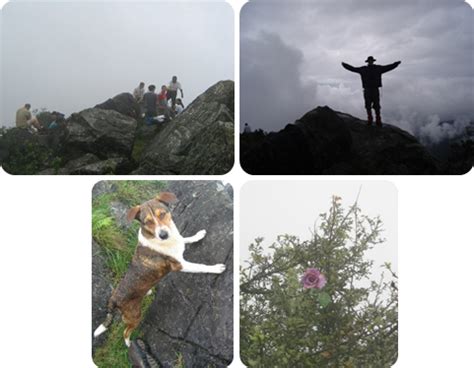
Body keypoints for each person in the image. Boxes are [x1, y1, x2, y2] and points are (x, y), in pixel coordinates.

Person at [341, 56, 401, 126]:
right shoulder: (376, 68)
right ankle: (372, 120)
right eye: (370, 60)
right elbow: (352, 69)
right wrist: (345, 65)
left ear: (371, 61)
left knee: (376, 106)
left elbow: (388, 67)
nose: (370, 61)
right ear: (370, 61)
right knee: (369, 106)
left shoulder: (369, 69)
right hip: (370, 90)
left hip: (371, 90)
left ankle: (377, 121)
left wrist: (396, 64)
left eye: (371, 60)